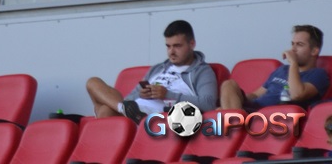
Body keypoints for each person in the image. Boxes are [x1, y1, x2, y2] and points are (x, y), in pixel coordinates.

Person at [86, 20, 217, 123]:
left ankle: (125, 111)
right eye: (168, 46)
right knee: (93, 83)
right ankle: (123, 109)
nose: (171, 52)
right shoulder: (158, 69)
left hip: (157, 117)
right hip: (135, 112)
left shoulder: (202, 71)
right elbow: (129, 99)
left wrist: (167, 95)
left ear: (192, 44)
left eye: (177, 46)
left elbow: (208, 104)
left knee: (104, 111)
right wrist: (141, 94)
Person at [220, 25, 329, 111]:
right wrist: (235, 101)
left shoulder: (318, 74)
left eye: (299, 44)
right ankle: (234, 119)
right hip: (254, 109)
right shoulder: (282, 70)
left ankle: (233, 122)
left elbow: (296, 94)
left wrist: (293, 63)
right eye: (292, 44)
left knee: (225, 114)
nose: (293, 49)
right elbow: (256, 94)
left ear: (314, 51)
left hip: (276, 115)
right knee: (229, 84)